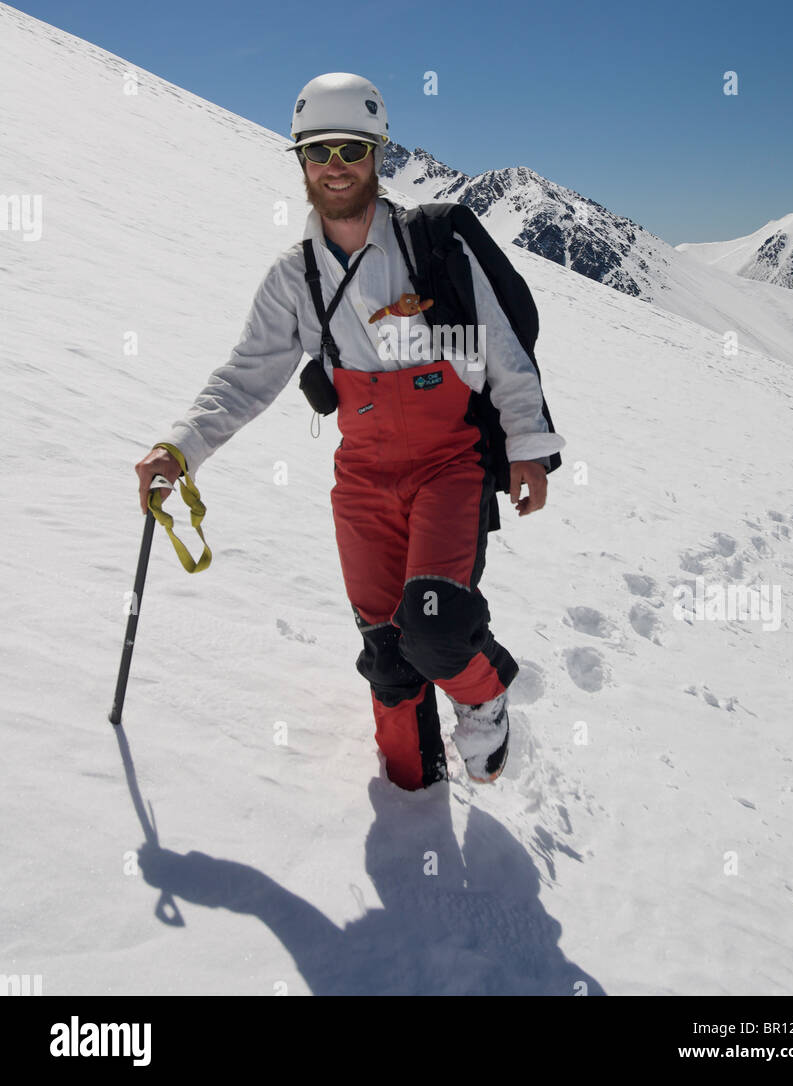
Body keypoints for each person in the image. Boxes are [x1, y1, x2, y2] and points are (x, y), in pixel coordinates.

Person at [135, 73, 565, 791]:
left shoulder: (433, 247)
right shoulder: (292, 277)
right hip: (362, 478)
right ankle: (411, 791)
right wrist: (180, 448)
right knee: (386, 650)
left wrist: (527, 448)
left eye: (351, 149)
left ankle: (485, 694)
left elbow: (503, 352)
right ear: (300, 161)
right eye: (318, 151)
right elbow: (246, 374)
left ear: (377, 155)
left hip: (448, 466)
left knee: (432, 625)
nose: (334, 165)